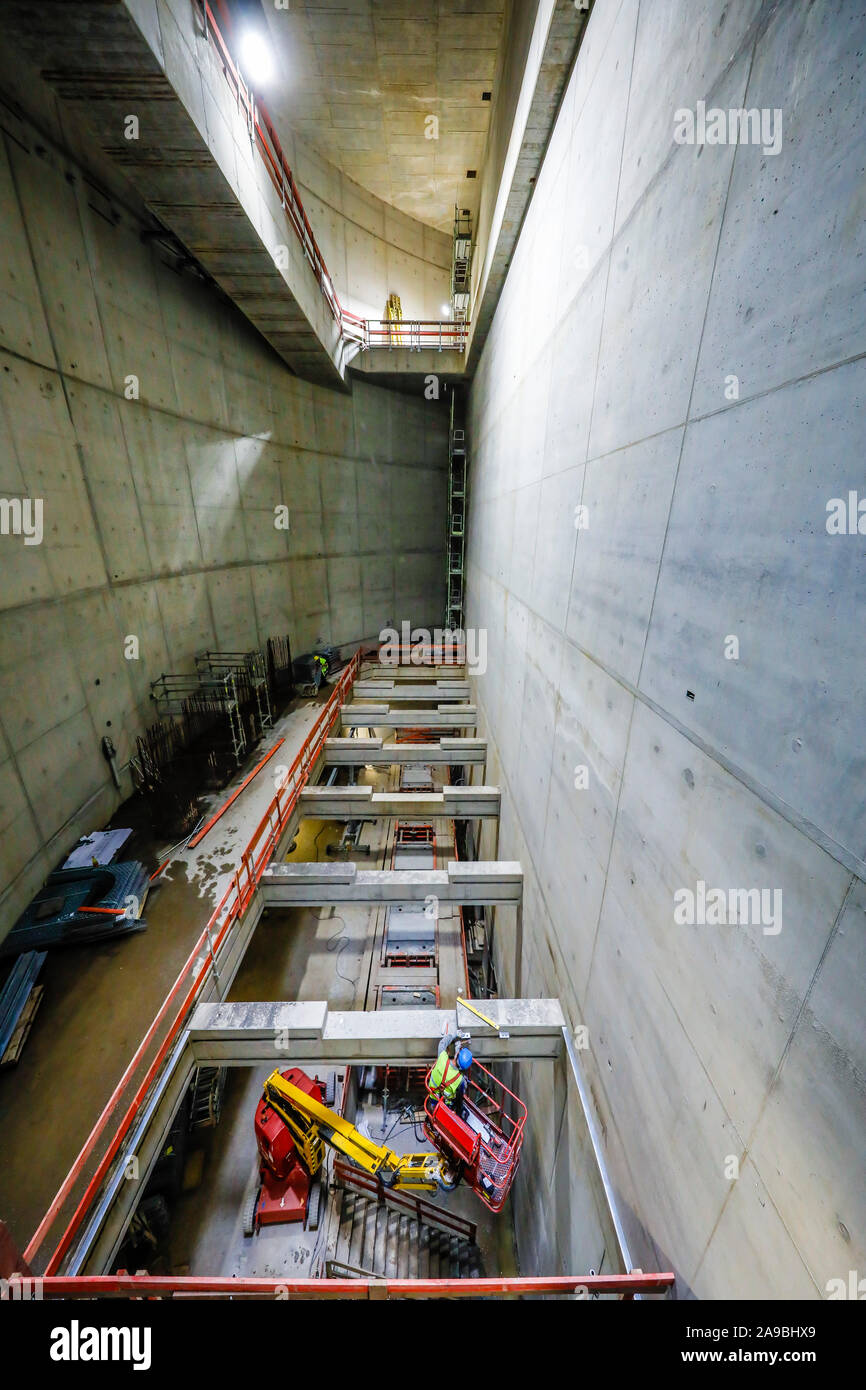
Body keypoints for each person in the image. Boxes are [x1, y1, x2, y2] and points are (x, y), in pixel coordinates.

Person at [428, 1029, 473, 1114]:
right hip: (447, 1103)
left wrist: (454, 1035)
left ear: (456, 1055)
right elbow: (460, 1096)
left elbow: (442, 1043)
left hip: (433, 1094)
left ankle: (433, 1110)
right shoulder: (460, 1080)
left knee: (434, 1106)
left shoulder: (443, 1058)